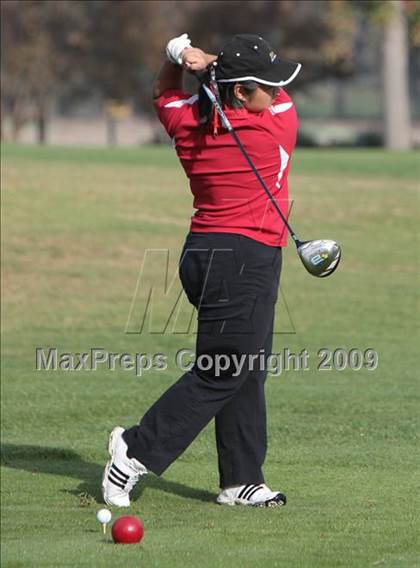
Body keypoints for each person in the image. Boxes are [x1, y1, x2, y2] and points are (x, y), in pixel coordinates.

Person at [102, 33, 301, 508]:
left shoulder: (187, 121)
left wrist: (176, 55)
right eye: (264, 86)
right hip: (243, 261)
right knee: (224, 370)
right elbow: (284, 101)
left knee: (246, 367)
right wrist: (208, 60)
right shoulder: (273, 127)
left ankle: (240, 480)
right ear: (238, 91)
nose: (274, 93)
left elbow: (163, 95)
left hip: (203, 255)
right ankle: (133, 449)